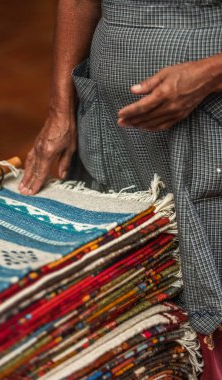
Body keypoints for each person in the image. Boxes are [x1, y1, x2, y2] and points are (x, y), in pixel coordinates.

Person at [19, 0, 222, 377]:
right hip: (113, 124)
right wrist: (60, 110)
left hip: (209, 115)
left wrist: (211, 73)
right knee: (130, 288)